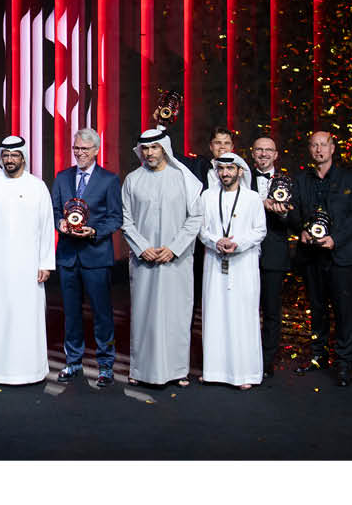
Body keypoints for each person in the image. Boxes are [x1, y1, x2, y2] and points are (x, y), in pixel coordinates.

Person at [119, 127, 205, 387]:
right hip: (144, 259)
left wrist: (174, 247)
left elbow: (196, 217)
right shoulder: (133, 179)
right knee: (144, 315)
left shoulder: (183, 178)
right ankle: (141, 370)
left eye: (154, 148)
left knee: (176, 315)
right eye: (145, 148)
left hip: (176, 260)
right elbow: (126, 219)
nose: (149, 153)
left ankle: (178, 370)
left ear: (164, 148)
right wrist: (142, 246)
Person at [0, 135, 55, 386]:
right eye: (5, 155)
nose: (9, 160)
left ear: (23, 158)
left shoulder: (37, 187)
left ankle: (29, 371)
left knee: (26, 317)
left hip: (28, 267)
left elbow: (47, 227)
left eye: (14, 155)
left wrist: (45, 263)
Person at [49, 128, 122, 385]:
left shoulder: (109, 180)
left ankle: (105, 365)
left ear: (96, 151)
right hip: (68, 255)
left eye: (84, 149)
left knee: (102, 313)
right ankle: (73, 362)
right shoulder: (62, 177)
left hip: (96, 256)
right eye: (76, 148)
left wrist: (95, 232)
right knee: (71, 313)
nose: (79, 153)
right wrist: (60, 223)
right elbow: (56, 210)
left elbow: (115, 218)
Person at [292, 131, 352, 386]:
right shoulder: (301, 179)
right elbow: (294, 213)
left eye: (323, 145)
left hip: (341, 256)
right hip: (312, 256)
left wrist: (335, 238)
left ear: (333, 148)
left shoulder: (349, 178)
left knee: (344, 311)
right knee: (318, 310)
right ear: (309, 150)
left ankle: (344, 363)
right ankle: (318, 356)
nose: (319, 150)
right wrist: (300, 228)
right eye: (314, 145)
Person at [198, 153, 267, 388]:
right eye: (221, 169)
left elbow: (260, 231)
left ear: (240, 171)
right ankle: (213, 372)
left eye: (230, 169)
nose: (225, 173)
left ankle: (244, 375)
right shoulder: (207, 196)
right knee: (214, 315)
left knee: (242, 317)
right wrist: (216, 241)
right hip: (215, 262)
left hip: (243, 264)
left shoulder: (253, 198)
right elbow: (201, 229)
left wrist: (238, 243)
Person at [248, 135, 296, 378]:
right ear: (253, 153)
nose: (264, 154)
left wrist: (285, 215)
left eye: (269, 150)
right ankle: (245, 357)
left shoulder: (289, 181)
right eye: (259, 150)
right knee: (245, 309)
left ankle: (266, 361)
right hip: (244, 255)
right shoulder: (243, 179)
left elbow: (298, 220)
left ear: (276, 155)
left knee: (271, 311)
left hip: (274, 255)